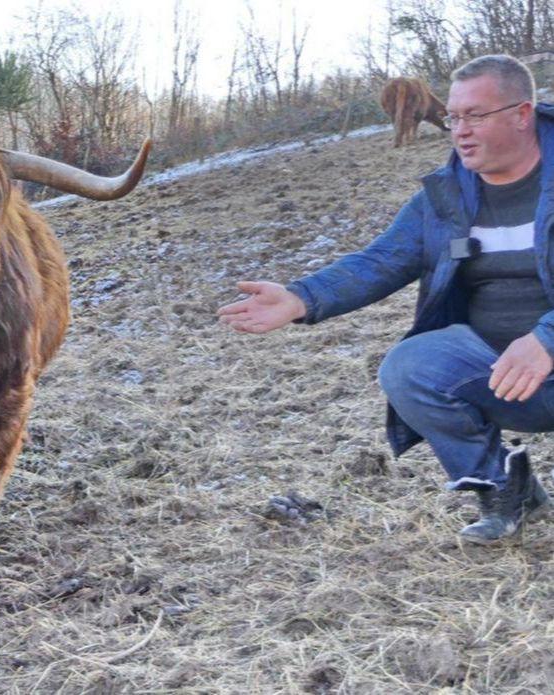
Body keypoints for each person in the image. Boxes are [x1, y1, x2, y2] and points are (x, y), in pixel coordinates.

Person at [218, 54, 554, 545]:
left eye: (475, 116)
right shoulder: (444, 200)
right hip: (504, 373)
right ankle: (505, 488)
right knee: (411, 366)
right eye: (455, 116)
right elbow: (381, 261)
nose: (459, 129)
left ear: (522, 114)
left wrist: (545, 339)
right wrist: (301, 297)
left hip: (542, 355)